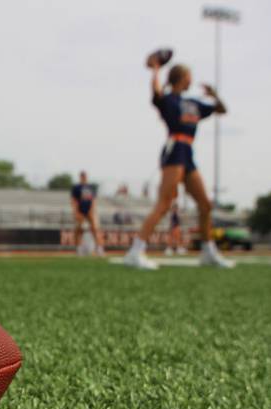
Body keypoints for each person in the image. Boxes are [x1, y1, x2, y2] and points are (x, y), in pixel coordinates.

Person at [123, 58, 234, 269]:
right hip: (175, 150)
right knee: (164, 204)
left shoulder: (193, 103)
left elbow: (222, 110)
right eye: (188, 75)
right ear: (182, 78)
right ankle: (135, 251)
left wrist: (214, 95)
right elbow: (156, 93)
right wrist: (156, 70)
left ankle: (208, 252)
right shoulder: (169, 101)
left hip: (188, 153)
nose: (191, 79)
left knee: (205, 204)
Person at [70, 171, 104, 255]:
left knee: (95, 229)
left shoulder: (91, 187)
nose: (84, 177)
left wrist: (92, 210)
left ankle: (99, 248)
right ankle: (78, 249)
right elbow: (74, 200)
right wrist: (76, 212)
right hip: (80, 210)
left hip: (90, 211)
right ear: (80, 177)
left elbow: (93, 200)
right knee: (79, 230)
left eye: (84, 175)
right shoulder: (76, 187)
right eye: (82, 175)